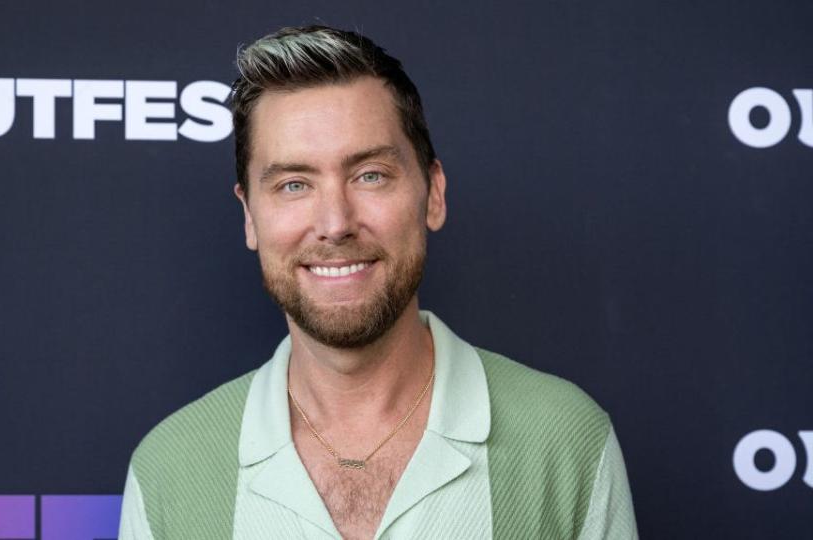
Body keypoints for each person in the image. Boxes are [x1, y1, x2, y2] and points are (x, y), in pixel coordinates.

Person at [118, 25, 638, 540]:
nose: (335, 222)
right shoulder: (169, 469)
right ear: (250, 216)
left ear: (432, 194)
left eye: (370, 174)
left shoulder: (567, 441)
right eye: (294, 184)